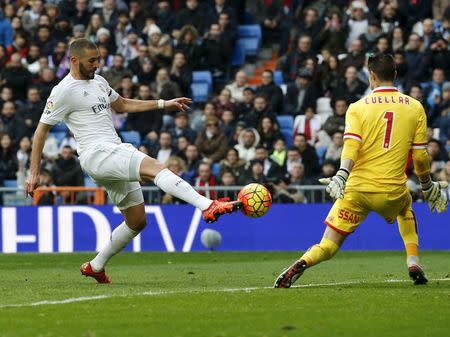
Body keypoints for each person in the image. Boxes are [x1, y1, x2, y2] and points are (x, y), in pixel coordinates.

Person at [25, 38, 242, 284]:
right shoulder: (63, 91)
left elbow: (123, 104)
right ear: (74, 61)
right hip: (97, 152)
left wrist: (163, 103)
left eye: (98, 59)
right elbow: (40, 132)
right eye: (92, 61)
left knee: (137, 221)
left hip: (111, 151)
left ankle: (95, 266)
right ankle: (207, 205)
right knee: (156, 168)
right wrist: (34, 173)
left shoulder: (99, 81)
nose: (97, 64)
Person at [274, 54, 448, 288]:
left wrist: (342, 175)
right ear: (395, 75)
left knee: (329, 244)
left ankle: (304, 261)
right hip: (391, 192)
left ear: (371, 75)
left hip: (356, 190)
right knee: (406, 206)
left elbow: (351, 146)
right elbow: (420, 156)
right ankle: (413, 260)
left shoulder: (357, 107)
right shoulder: (415, 107)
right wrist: (427, 185)